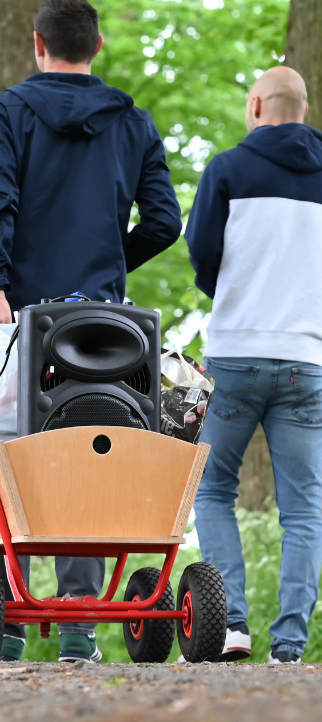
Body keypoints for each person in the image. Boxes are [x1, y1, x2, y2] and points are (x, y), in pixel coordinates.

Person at [0, 0, 181, 662]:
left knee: (5, 447)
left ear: (38, 44)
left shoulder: (7, 113)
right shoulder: (134, 123)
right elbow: (164, 221)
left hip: (20, 310)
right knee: (91, 449)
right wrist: (112, 263)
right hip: (104, 321)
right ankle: (78, 630)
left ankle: (2, 626)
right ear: (96, 48)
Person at [186, 65, 322, 665]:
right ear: (305, 108)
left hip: (236, 352)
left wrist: (236, 293)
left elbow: (201, 253)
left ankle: (230, 625)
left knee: (213, 490)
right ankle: (289, 646)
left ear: (256, 105)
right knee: (305, 507)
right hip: (307, 359)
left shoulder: (228, 169)